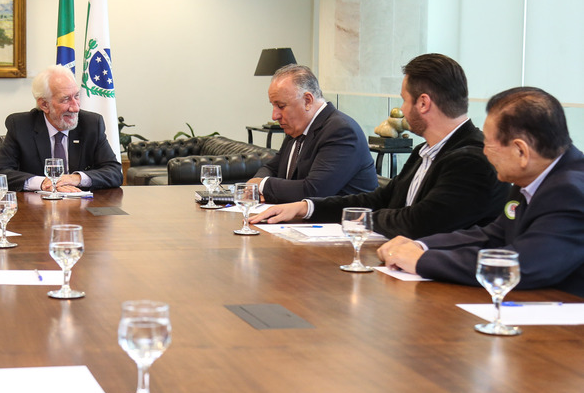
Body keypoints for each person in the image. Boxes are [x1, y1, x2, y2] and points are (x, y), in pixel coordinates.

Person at [250, 53, 508, 239]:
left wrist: (356, 220)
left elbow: (419, 223)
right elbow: (382, 199)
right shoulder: (424, 150)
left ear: (424, 103)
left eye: (404, 100)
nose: (402, 110)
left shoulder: (472, 158)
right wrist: (306, 208)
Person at [378, 87, 584, 295]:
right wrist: (421, 246)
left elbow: (525, 264)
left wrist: (424, 261)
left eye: (489, 144)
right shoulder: (533, 176)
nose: (484, 152)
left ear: (520, 151)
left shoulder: (571, 191)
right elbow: (494, 235)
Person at [248, 65, 378, 203]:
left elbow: (314, 191)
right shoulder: (297, 129)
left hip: (344, 222)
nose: (274, 116)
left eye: (281, 106)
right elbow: (271, 168)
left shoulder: (341, 131)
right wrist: (255, 186)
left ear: (308, 100)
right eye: (273, 106)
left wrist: (261, 185)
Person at [0, 65, 123, 192]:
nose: (75, 107)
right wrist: (42, 183)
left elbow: (114, 172)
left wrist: (76, 178)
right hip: (36, 209)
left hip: (82, 207)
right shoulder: (21, 125)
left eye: (76, 96)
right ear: (44, 105)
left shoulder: (91, 124)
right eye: (65, 99)